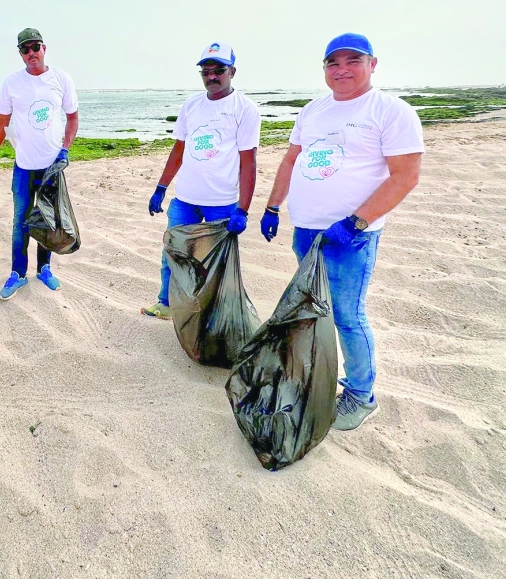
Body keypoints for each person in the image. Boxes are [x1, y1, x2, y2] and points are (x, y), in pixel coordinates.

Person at [259, 33, 423, 431]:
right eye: (333, 63)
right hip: (306, 232)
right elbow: (291, 161)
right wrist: (272, 206)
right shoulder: (313, 111)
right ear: (325, 69)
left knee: (348, 316)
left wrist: (356, 222)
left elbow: (406, 177)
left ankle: (361, 396)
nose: (342, 69)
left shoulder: (391, 111)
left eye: (353, 60)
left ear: (372, 64)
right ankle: (318, 378)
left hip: (352, 238)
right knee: (316, 311)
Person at [142, 41, 261, 319]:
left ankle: (212, 312)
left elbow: (248, 161)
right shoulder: (191, 105)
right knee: (173, 252)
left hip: (221, 203)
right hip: (185, 199)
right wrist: (161, 187)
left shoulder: (245, 109)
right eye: (205, 71)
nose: (211, 76)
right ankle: (167, 303)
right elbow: (179, 150)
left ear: (232, 71)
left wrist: (243, 209)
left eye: (218, 70)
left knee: (216, 262)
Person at [0, 28, 80, 300]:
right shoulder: (12, 83)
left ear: (44, 48)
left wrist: (65, 150)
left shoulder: (61, 79)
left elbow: (72, 117)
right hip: (24, 167)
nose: (31, 53)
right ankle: (17, 274)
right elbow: (2, 124)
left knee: (49, 218)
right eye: (25, 49)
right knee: (21, 221)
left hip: (52, 167)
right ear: (20, 53)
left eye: (35, 47)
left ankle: (45, 269)